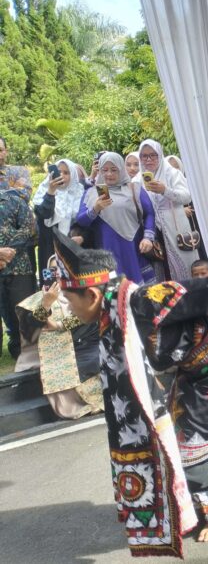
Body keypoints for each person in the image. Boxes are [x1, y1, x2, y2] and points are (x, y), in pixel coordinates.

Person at [54, 229, 208, 553]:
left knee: (187, 450)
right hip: (191, 376)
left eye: (70, 299)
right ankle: (196, 494)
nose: (69, 307)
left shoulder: (143, 301)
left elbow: (204, 290)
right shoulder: (111, 315)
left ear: (92, 296)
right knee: (172, 444)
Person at [15, 255, 103, 419]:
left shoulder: (83, 292)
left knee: (94, 360)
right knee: (61, 368)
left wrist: (61, 325)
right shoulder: (40, 296)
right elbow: (31, 325)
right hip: (59, 349)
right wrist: (46, 303)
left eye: (61, 270)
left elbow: (88, 316)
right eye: (52, 270)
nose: (56, 274)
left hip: (85, 342)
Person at [77, 152, 157, 284]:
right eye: (105, 170)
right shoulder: (91, 193)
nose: (109, 174)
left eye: (114, 170)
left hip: (133, 249)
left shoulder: (134, 189)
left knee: (140, 294)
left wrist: (148, 237)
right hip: (107, 251)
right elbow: (81, 221)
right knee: (114, 296)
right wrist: (95, 209)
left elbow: (149, 213)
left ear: (121, 169)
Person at [138, 139, 199, 280]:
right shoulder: (137, 179)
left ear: (160, 155)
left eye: (153, 155)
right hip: (151, 230)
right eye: (144, 156)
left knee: (183, 265)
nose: (148, 160)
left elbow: (187, 197)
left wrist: (165, 190)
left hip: (175, 226)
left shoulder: (172, 173)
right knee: (159, 267)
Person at [32, 158, 85, 285]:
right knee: (50, 285)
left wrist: (82, 237)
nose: (61, 175)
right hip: (49, 250)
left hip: (71, 249)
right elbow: (44, 214)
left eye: (66, 173)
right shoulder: (44, 190)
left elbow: (84, 222)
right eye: (59, 171)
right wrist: (51, 191)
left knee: (72, 288)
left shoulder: (79, 192)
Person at [0, 187, 36, 360]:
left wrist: (8, 252)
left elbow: (28, 228)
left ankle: (25, 350)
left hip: (18, 267)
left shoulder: (14, 201)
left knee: (23, 311)